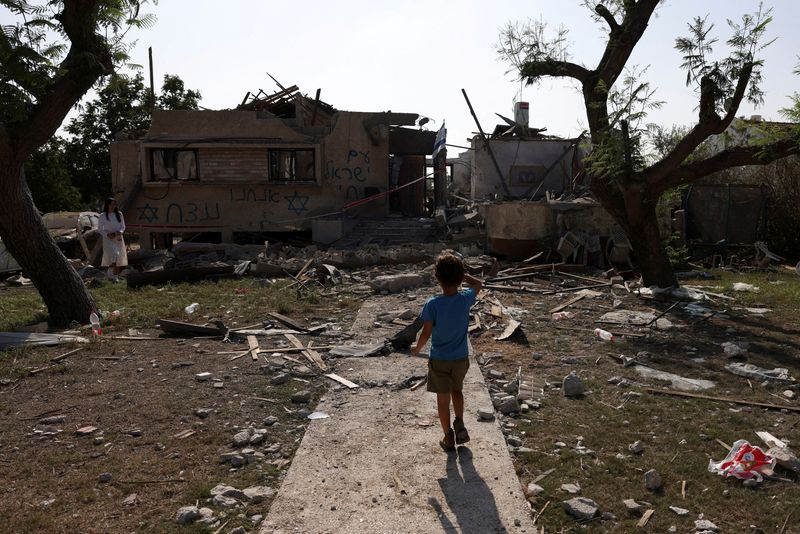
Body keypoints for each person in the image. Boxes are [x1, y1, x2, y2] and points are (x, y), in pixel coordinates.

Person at [411, 252, 488, 452]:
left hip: (439, 360)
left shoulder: (433, 304)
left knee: (442, 400)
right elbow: (479, 283)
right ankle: (460, 422)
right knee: (457, 391)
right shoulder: (465, 299)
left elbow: (426, 332)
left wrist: (416, 349)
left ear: (437, 278)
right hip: (460, 358)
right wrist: (463, 275)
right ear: (458, 277)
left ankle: (448, 437)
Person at [98, 197, 127, 276]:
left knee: (118, 258)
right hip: (108, 239)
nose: (113, 206)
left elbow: (123, 227)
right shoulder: (102, 215)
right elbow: (100, 229)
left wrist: (120, 232)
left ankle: (114, 276)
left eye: (115, 204)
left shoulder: (119, 214)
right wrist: (107, 234)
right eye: (111, 204)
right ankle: (112, 275)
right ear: (107, 205)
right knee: (114, 254)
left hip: (118, 238)